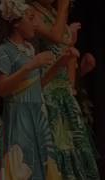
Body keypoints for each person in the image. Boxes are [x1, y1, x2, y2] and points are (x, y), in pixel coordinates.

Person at [30, 0, 100, 178]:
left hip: (63, 90)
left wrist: (80, 69)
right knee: (56, 144)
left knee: (74, 143)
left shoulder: (52, 13)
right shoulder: (31, 12)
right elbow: (56, 37)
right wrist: (63, 8)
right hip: (47, 89)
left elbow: (64, 47)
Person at [0, 0, 62, 178]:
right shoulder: (4, 50)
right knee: (22, 164)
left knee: (40, 163)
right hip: (19, 115)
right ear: (16, 23)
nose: (35, 24)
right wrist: (31, 65)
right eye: (31, 18)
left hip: (37, 113)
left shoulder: (29, 49)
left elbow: (37, 85)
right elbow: (1, 88)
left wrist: (60, 64)